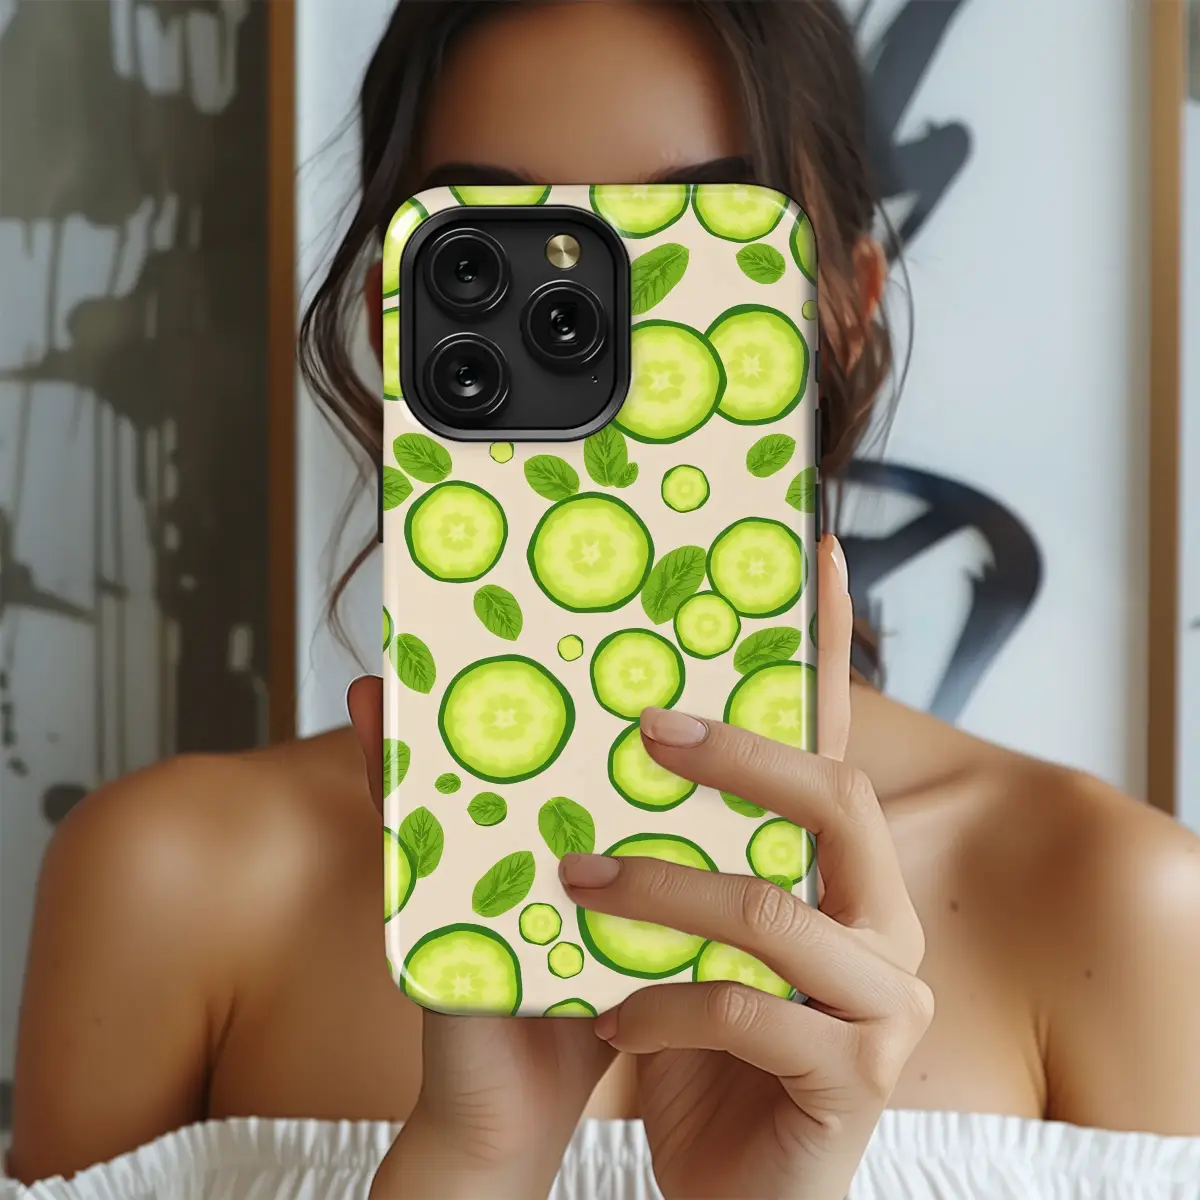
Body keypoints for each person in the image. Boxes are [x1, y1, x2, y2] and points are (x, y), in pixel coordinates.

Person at [8, 2, 1200, 1197]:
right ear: (393, 316)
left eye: (699, 244)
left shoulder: (1116, 908)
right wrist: (474, 1162)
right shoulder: (168, 886)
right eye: (491, 253)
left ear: (845, 311)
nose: (603, 320)